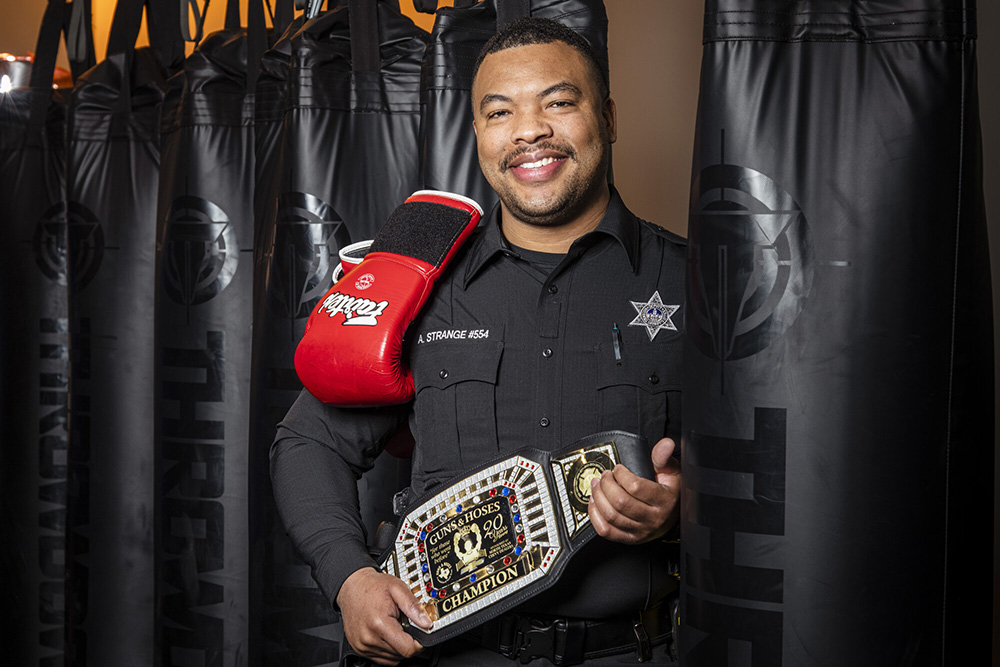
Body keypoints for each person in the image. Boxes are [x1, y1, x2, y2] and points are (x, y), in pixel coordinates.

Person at [271, 17, 685, 667]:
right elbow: (307, 441)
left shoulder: (692, 281)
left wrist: (678, 511)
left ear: (606, 116)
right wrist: (349, 577)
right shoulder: (420, 283)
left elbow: (769, 479)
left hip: (629, 650)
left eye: (558, 102)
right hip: (447, 653)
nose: (528, 131)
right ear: (478, 134)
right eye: (500, 112)